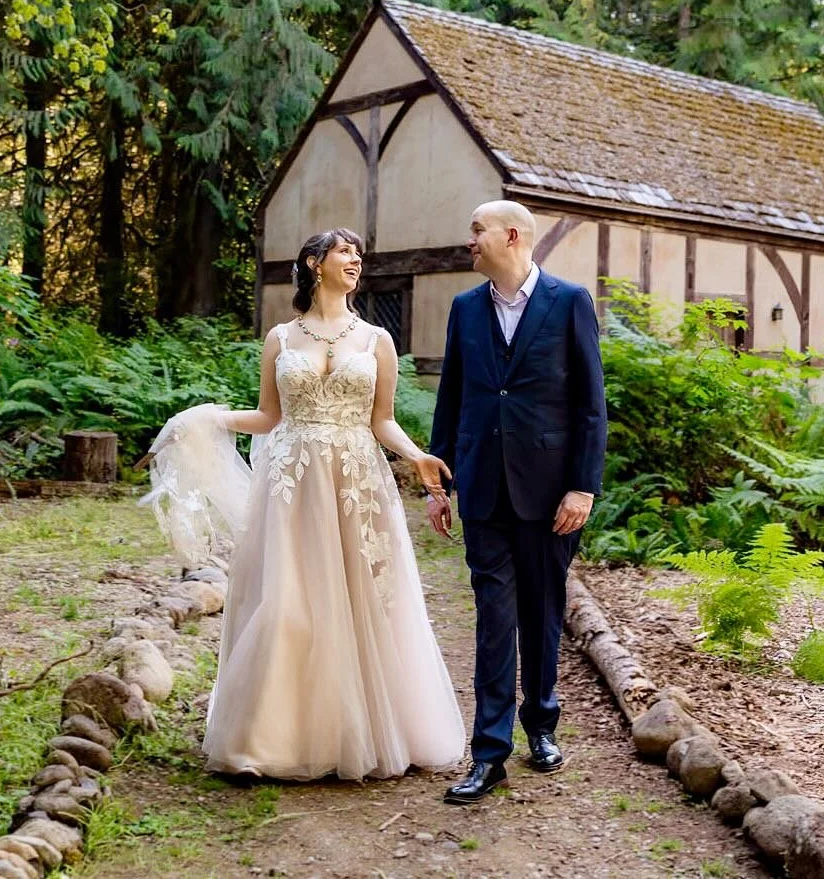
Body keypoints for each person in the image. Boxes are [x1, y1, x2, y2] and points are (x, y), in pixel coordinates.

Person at [143, 228, 465, 780]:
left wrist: (417, 456)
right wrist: (204, 420)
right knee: (289, 597)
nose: (356, 260)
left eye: (359, 254)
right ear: (315, 263)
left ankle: (366, 730)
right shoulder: (280, 339)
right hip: (292, 481)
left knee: (362, 599)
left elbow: (381, 419)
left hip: (357, 481)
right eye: (346, 252)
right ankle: (271, 738)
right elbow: (269, 417)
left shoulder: (376, 340)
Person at [428, 200, 607, 804]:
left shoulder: (569, 301)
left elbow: (590, 405)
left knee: (542, 612)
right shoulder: (464, 309)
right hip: (482, 486)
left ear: (511, 236)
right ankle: (489, 752)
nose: (469, 241)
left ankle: (543, 726)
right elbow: (452, 397)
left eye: (476, 230)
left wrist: (583, 486)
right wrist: (439, 482)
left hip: (553, 492)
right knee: (494, 620)